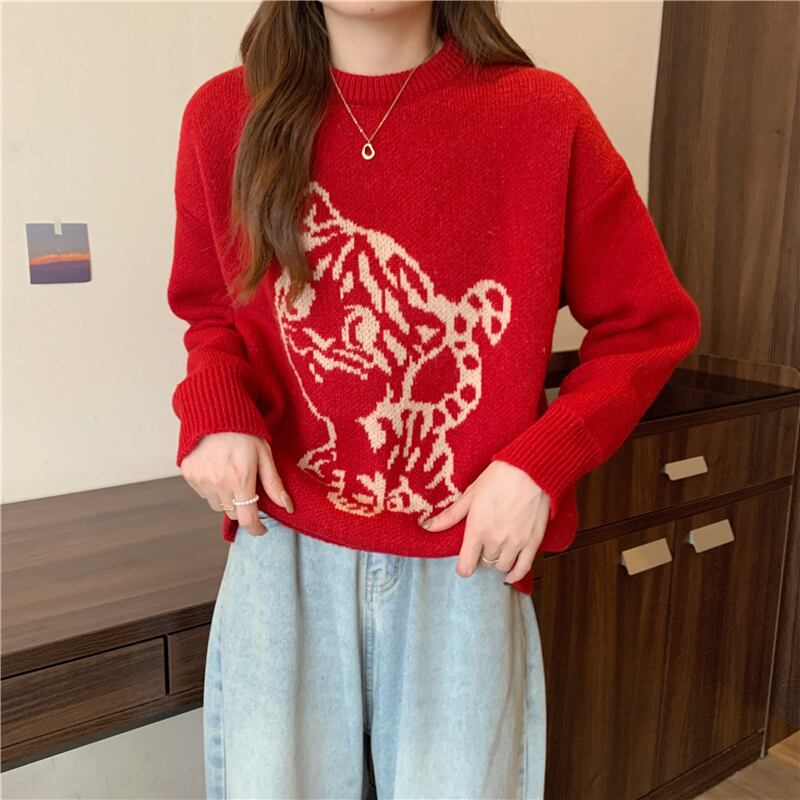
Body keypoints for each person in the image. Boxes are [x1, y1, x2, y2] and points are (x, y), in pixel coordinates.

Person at [166, 2, 701, 798]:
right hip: (283, 547)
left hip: (463, 563)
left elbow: (648, 323)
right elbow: (211, 310)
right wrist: (214, 413)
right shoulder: (224, 118)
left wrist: (539, 465)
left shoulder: (542, 118)